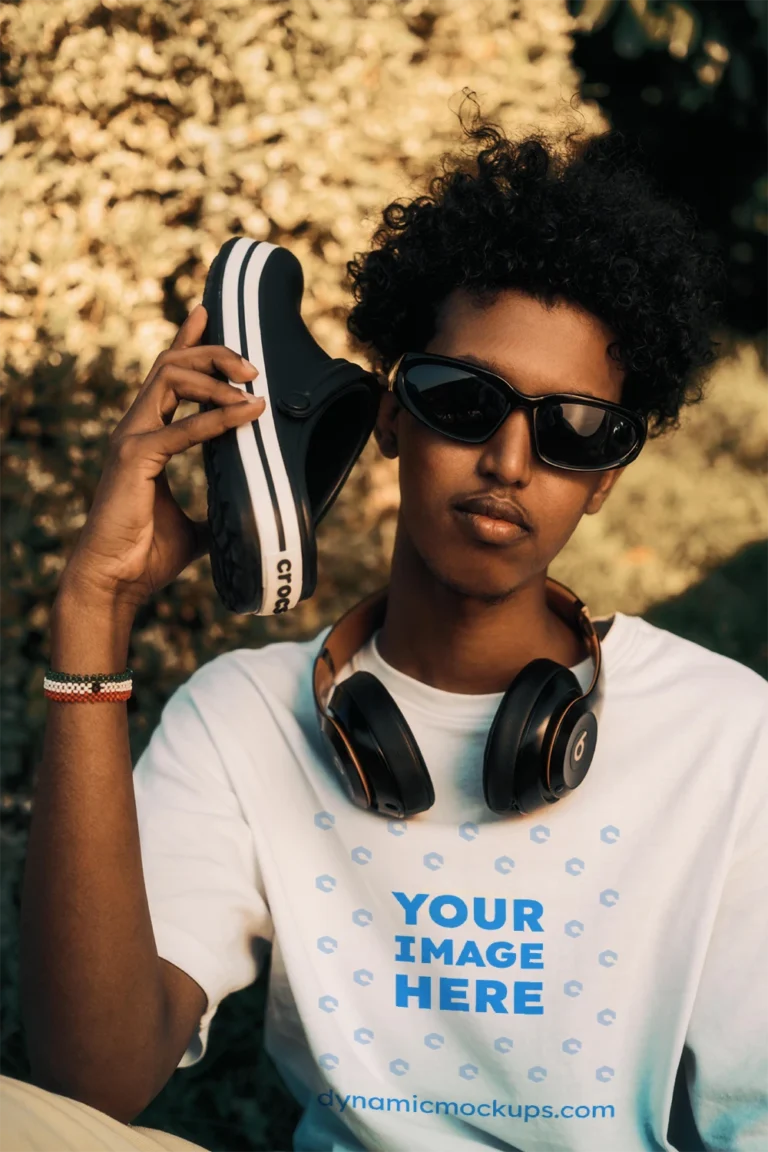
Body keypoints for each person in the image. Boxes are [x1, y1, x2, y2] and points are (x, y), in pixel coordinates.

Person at [7, 101, 768, 1152]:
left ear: (606, 480)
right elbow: (88, 1082)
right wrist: (93, 612)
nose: (508, 461)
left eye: (575, 430)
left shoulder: (729, 734)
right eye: (464, 399)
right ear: (392, 413)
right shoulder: (243, 720)